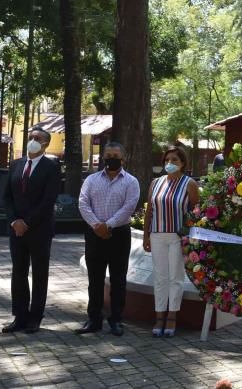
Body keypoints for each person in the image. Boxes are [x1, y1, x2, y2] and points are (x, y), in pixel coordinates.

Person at [76, 142, 140, 336]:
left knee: (118, 279)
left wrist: (108, 225)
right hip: (94, 235)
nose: (111, 158)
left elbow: (129, 208)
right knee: (94, 280)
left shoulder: (131, 182)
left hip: (119, 235)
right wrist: (97, 226)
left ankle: (116, 320)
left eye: (115, 155)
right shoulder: (91, 180)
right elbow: (83, 203)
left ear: (123, 158)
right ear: (103, 157)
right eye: (108, 154)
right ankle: (94, 319)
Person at [1, 126, 60, 334]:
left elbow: (48, 200)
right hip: (16, 230)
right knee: (18, 272)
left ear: (45, 143)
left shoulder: (51, 167)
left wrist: (27, 222)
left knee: (39, 273)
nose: (32, 140)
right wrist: (15, 220)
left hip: (39, 230)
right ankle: (20, 316)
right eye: (31, 137)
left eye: (37, 138)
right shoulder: (16, 164)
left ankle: (35, 317)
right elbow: (7, 197)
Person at [142, 146, 199, 337]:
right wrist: (145, 236)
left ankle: (172, 317)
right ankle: (159, 316)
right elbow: (150, 210)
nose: (170, 163)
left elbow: (196, 212)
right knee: (160, 277)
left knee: (175, 277)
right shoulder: (156, 183)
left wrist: (190, 236)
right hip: (157, 235)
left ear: (183, 163)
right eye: (167, 160)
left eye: (175, 160)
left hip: (177, 237)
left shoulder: (189, 183)